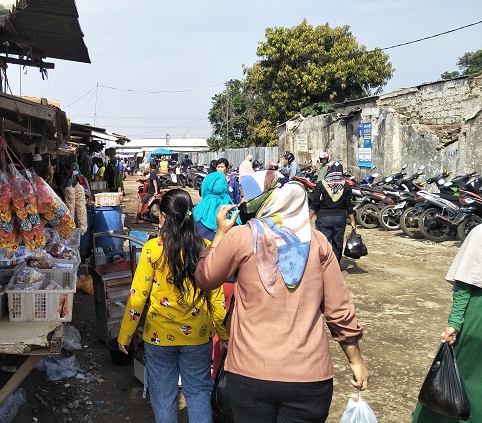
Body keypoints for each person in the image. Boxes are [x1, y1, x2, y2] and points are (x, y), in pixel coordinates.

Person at [195, 181, 369, 422]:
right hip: (309, 375)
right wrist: (356, 361)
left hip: (249, 372)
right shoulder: (318, 243)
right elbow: (338, 309)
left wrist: (221, 233)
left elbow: (205, 277)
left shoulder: (243, 236)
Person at [118, 188, 228, 423]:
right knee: (198, 392)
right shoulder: (205, 247)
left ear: (165, 217)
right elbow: (215, 298)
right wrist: (224, 333)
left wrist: (125, 334)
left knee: (163, 395)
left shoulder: (152, 249)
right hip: (197, 337)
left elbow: (138, 297)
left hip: (158, 338)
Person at [412, 223, 482, 423]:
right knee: (462, 384)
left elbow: (465, 282)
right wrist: (455, 322)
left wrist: (455, 322)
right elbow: (466, 283)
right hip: (477, 325)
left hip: (476, 322)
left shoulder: (479, 233)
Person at [309, 161, 357, 262]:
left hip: (324, 219)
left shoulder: (321, 184)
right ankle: (335, 265)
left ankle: (326, 265)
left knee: (324, 242)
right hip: (340, 218)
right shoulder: (346, 186)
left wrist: (309, 217)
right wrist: (352, 220)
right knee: (338, 243)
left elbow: (315, 203)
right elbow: (348, 205)